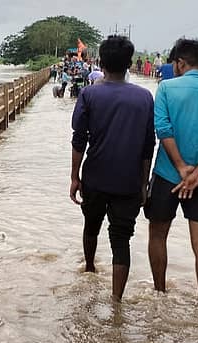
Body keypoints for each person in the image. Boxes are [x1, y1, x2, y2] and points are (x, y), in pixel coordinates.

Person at [144, 38, 198, 305]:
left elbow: (163, 130)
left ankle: (160, 294)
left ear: (180, 62)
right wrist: (197, 174)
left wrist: (183, 168)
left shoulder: (167, 89)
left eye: (175, 63)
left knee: (158, 234)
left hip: (167, 175)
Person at [69, 35, 156, 301]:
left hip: (94, 176)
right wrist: (144, 183)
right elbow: (147, 145)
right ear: (130, 63)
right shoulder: (144, 98)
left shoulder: (89, 93)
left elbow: (79, 139)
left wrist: (74, 177)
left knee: (91, 226)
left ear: (101, 63)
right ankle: (116, 301)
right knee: (121, 240)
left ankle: (90, 266)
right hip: (128, 181)